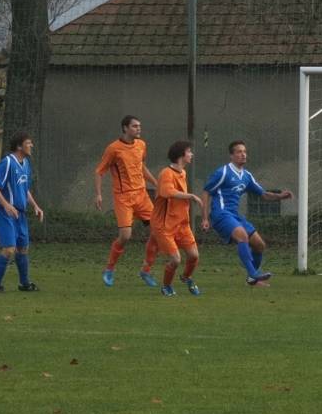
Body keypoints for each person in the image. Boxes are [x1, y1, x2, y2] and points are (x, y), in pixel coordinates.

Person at [202, 140, 293, 286]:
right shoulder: (223, 172)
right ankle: (253, 273)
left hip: (234, 215)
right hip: (221, 213)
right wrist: (205, 218)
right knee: (242, 235)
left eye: (244, 151)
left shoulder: (246, 176)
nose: (243, 154)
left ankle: (252, 280)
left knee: (259, 245)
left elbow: (263, 194)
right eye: (239, 152)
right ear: (231, 156)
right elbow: (206, 192)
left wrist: (280, 196)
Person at [94, 115, 159, 288]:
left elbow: (141, 167)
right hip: (124, 198)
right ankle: (109, 269)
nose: (139, 129)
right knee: (125, 236)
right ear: (125, 128)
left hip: (142, 196)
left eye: (139, 126)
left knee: (159, 232)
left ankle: (146, 270)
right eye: (135, 126)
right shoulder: (113, 149)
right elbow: (99, 171)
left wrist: (156, 183)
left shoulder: (141, 145)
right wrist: (98, 194)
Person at [0, 131, 45, 292]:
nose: (31, 145)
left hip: (20, 213)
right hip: (4, 212)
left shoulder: (25, 163)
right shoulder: (7, 162)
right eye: (28, 143)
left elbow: (25, 189)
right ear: (19, 146)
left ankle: (24, 284)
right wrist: (6, 205)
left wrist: (35, 206)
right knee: (9, 248)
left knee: (23, 248)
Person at [152, 140, 205, 297]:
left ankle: (186, 277)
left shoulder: (182, 172)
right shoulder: (166, 173)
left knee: (194, 256)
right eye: (189, 151)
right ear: (181, 154)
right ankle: (166, 286)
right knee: (176, 259)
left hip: (182, 224)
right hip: (164, 225)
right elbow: (167, 192)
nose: (191, 154)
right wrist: (191, 196)